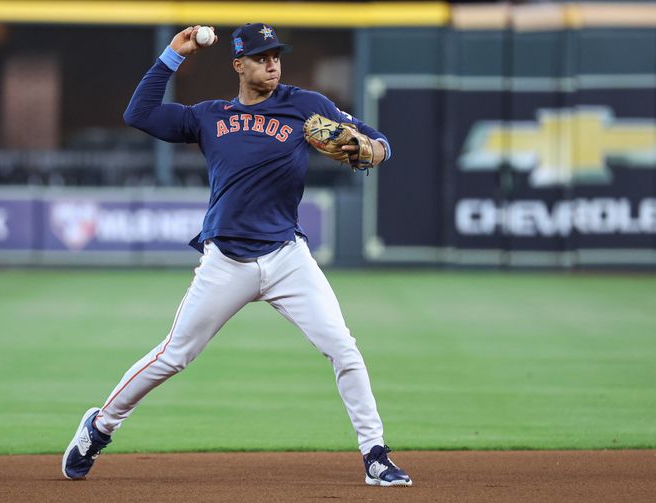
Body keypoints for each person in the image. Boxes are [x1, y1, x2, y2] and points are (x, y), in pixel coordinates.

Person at [62, 23, 411, 487]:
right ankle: (99, 427)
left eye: (276, 55)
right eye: (262, 56)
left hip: (288, 257)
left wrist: (373, 148)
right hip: (226, 262)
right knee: (173, 356)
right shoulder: (209, 115)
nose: (272, 63)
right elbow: (139, 114)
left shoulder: (306, 105)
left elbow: (376, 139)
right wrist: (172, 55)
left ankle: (376, 455)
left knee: (343, 348)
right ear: (238, 65)